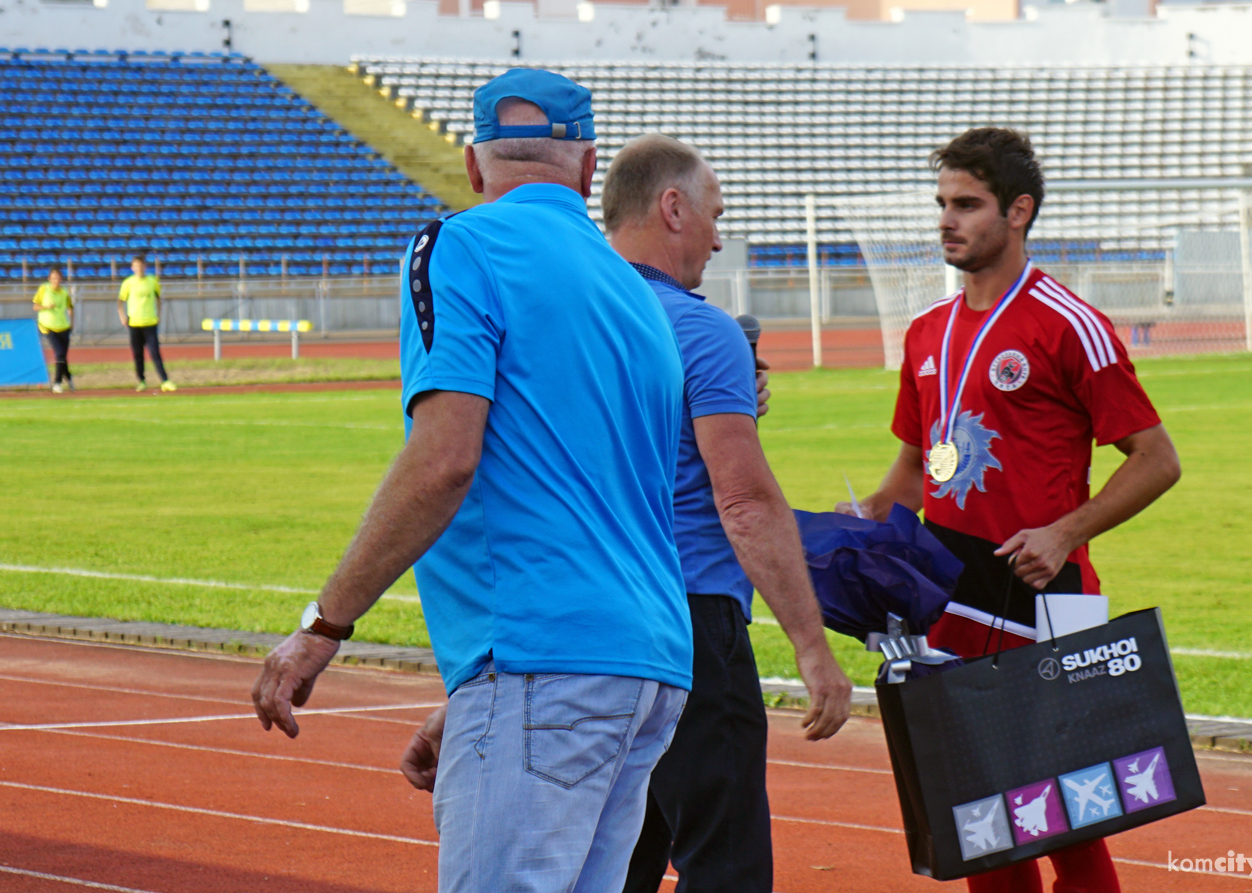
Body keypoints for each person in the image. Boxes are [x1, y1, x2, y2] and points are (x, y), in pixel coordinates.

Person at [252, 69, 692, 893]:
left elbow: (446, 456)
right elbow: (612, 498)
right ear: (588, 168)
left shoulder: (458, 245)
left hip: (541, 655)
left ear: (473, 165)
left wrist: (324, 624)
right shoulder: (635, 295)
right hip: (646, 659)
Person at [842, 127, 1180, 893]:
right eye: (942, 204)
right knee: (983, 829)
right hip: (950, 596)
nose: (946, 220)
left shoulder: (1070, 324)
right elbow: (911, 468)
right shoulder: (927, 331)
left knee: (1067, 817)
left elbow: (1158, 458)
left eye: (967, 204)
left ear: (1019, 211)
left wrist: (1067, 531)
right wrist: (861, 520)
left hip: (1044, 600)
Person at [589, 134, 851, 893]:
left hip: (591, 619)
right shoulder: (700, 330)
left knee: (613, 859)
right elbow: (741, 498)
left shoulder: (568, 318)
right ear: (672, 208)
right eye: (714, 213)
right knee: (725, 862)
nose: (720, 234)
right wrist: (810, 644)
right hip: (691, 622)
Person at [117, 255, 175, 392]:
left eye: (141, 265)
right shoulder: (128, 283)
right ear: (132, 268)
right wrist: (122, 317)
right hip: (134, 323)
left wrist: (158, 315)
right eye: (136, 266)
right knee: (138, 354)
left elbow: (158, 299)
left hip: (150, 322)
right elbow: (120, 302)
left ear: (145, 267)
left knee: (155, 352)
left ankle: (165, 380)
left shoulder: (152, 281)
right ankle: (141, 380)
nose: (139, 268)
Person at [32, 268, 74, 392]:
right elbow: (35, 306)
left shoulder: (64, 292)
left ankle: (69, 378)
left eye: (58, 278)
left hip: (63, 326)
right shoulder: (44, 289)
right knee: (59, 354)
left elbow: (70, 308)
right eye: (53, 278)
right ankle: (57, 383)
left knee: (62, 356)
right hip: (48, 327)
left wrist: (72, 323)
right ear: (49, 279)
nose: (56, 281)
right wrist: (46, 307)